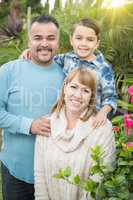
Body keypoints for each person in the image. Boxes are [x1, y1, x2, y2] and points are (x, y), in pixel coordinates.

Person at [0, 15, 65, 200]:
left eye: (50, 38)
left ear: (58, 42)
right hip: (16, 172)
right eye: (38, 38)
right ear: (29, 41)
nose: (44, 43)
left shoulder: (68, 74)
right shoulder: (8, 71)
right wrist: (29, 125)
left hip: (55, 173)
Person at [34, 67, 116, 200]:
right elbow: (40, 177)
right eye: (74, 87)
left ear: (91, 96)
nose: (78, 95)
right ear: (65, 88)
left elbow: (102, 178)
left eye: (85, 90)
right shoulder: (46, 125)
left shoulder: (102, 129)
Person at [21, 18, 117, 128]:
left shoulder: (103, 68)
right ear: (71, 40)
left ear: (97, 43)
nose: (83, 43)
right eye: (79, 38)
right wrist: (30, 52)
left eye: (90, 40)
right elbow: (47, 58)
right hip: (66, 119)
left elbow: (111, 97)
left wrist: (103, 112)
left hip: (90, 121)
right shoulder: (67, 58)